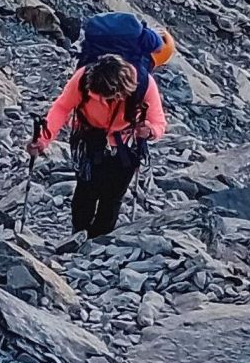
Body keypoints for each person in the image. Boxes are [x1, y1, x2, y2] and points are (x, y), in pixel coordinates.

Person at [29, 49, 168, 239]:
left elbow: (159, 122)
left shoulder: (144, 85)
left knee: (112, 197)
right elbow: (62, 108)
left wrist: (150, 131)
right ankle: (79, 235)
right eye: (98, 96)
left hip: (125, 143)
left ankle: (98, 240)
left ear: (121, 92)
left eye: (108, 98)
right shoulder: (82, 79)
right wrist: (42, 140)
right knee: (86, 190)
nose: (102, 101)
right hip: (90, 137)